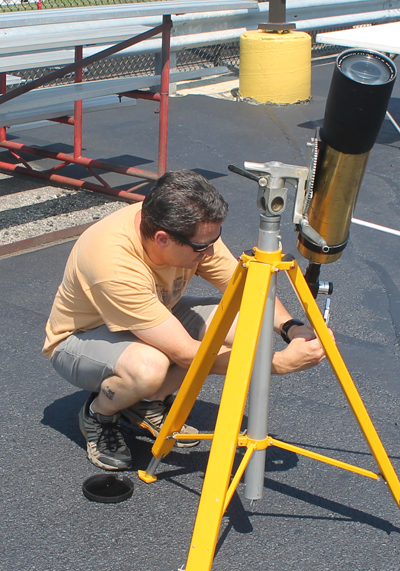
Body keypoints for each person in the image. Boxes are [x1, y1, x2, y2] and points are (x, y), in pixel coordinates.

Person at [43, 170, 328, 471]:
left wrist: (290, 327)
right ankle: (99, 413)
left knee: (246, 323)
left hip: (149, 318)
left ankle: (146, 401)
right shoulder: (112, 261)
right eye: (201, 248)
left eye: (213, 241)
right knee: (148, 367)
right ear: (163, 239)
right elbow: (184, 352)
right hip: (80, 340)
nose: (209, 252)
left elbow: (245, 289)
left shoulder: (188, 231)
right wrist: (277, 364)